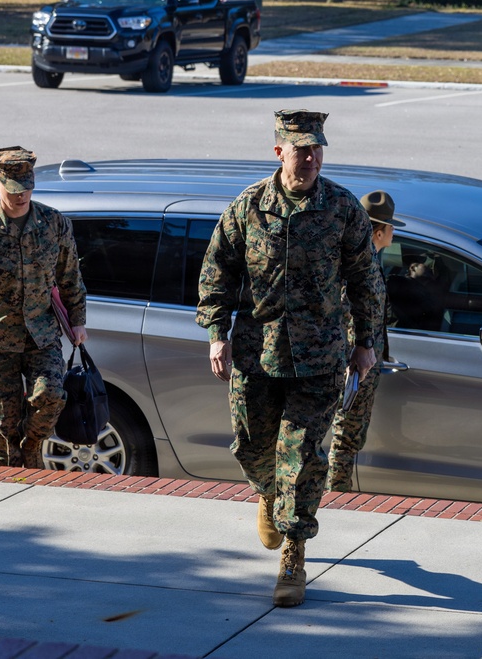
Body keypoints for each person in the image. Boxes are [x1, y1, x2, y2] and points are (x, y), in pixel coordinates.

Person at [196, 109, 379, 609]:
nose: (312, 157)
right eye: (302, 149)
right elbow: (218, 271)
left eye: (318, 147)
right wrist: (217, 333)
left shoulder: (342, 208)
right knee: (252, 446)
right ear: (280, 152)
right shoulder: (248, 206)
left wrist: (366, 344)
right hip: (257, 354)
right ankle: (266, 491)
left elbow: (366, 281)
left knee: (300, 459)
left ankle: (293, 555)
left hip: (320, 357)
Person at [0, 146, 87, 470]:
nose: (22, 196)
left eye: (27, 189)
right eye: (14, 190)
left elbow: (70, 277)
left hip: (42, 334)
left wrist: (78, 321)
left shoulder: (55, 224)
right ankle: (4, 483)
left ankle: (32, 454)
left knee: (51, 396)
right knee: (5, 422)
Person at [326, 190, 405, 492]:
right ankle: (336, 498)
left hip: (362, 367)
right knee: (345, 438)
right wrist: (354, 366)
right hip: (355, 370)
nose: (394, 232)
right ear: (379, 232)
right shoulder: (359, 266)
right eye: (391, 227)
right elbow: (348, 315)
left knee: (350, 437)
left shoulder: (371, 258)